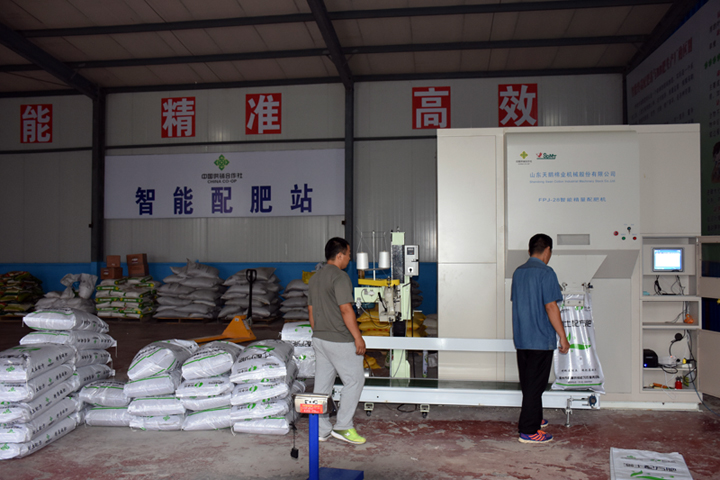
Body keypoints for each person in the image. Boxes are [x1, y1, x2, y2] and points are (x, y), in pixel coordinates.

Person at [511, 233, 570, 444]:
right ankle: (528, 430)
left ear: (529, 251)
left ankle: (535, 417)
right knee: (536, 385)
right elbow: (551, 306)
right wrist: (563, 337)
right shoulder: (546, 272)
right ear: (548, 250)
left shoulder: (518, 272)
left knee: (530, 384)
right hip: (540, 339)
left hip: (522, 338)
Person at [308, 237, 367, 445]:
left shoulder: (315, 278)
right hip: (339, 340)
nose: (349, 259)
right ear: (340, 255)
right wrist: (358, 337)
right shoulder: (340, 277)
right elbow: (345, 309)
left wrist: (319, 332)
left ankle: (320, 429)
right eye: (348, 255)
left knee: (322, 385)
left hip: (319, 338)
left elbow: (311, 311)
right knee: (355, 380)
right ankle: (343, 426)